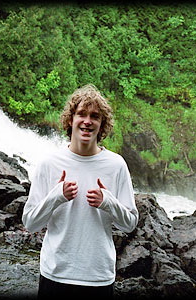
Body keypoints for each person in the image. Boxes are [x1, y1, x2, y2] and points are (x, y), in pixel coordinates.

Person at [22, 84, 138, 298]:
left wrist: (108, 202)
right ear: (70, 120)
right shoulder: (49, 163)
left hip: (98, 277)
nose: (87, 121)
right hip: (55, 274)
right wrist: (56, 196)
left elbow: (130, 224)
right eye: (81, 114)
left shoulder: (116, 165)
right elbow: (30, 223)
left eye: (95, 116)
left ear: (102, 124)